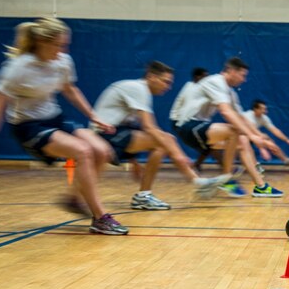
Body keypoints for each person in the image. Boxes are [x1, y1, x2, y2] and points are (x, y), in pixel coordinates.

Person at [0, 17, 128, 235]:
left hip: (55, 118)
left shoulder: (62, 61)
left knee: (102, 151)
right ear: (41, 41)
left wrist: (94, 116)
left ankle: (73, 198)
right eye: (58, 45)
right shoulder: (17, 68)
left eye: (65, 45)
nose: (62, 50)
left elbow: (69, 89)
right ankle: (100, 217)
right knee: (83, 151)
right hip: (28, 126)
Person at [92, 61, 233, 209]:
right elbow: (149, 127)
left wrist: (133, 161)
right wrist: (178, 155)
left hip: (113, 134)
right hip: (104, 135)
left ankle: (147, 195)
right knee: (163, 141)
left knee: (163, 142)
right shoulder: (138, 89)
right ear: (151, 76)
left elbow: (131, 127)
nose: (168, 87)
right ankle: (195, 182)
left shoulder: (138, 90)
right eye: (165, 82)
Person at [171, 57, 283, 197]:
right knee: (235, 131)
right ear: (230, 71)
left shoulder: (230, 92)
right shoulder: (216, 81)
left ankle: (260, 186)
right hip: (188, 127)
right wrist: (253, 136)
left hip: (200, 130)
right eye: (242, 75)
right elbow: (226, 112)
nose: (244, 80)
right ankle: (227, 177)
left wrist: (261, 139)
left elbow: (241, 118)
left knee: (242, 141)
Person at [242, 99, 289, 173]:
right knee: (258, 140)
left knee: (269, 141)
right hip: (239, 136)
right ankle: (255, 167)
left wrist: (287, 141)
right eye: (262, 109)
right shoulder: (248, 116)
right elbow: (254, 132)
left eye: (265, 108)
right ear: (255, 109)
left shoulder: (264, 118)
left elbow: (275, 130)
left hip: (252, 136)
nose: (265, 111)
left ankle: (286, 161)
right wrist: (262, 149)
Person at [170, 67, 211, 172]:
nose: (207, 79)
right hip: (179, 121)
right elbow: (190, 108)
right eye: (205, 76)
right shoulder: (191, 88)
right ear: (197, 77)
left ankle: (195, 165)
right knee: (209, 143)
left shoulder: (194, 86)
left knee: (209, 144)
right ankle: (226, 171)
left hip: (185, 120)